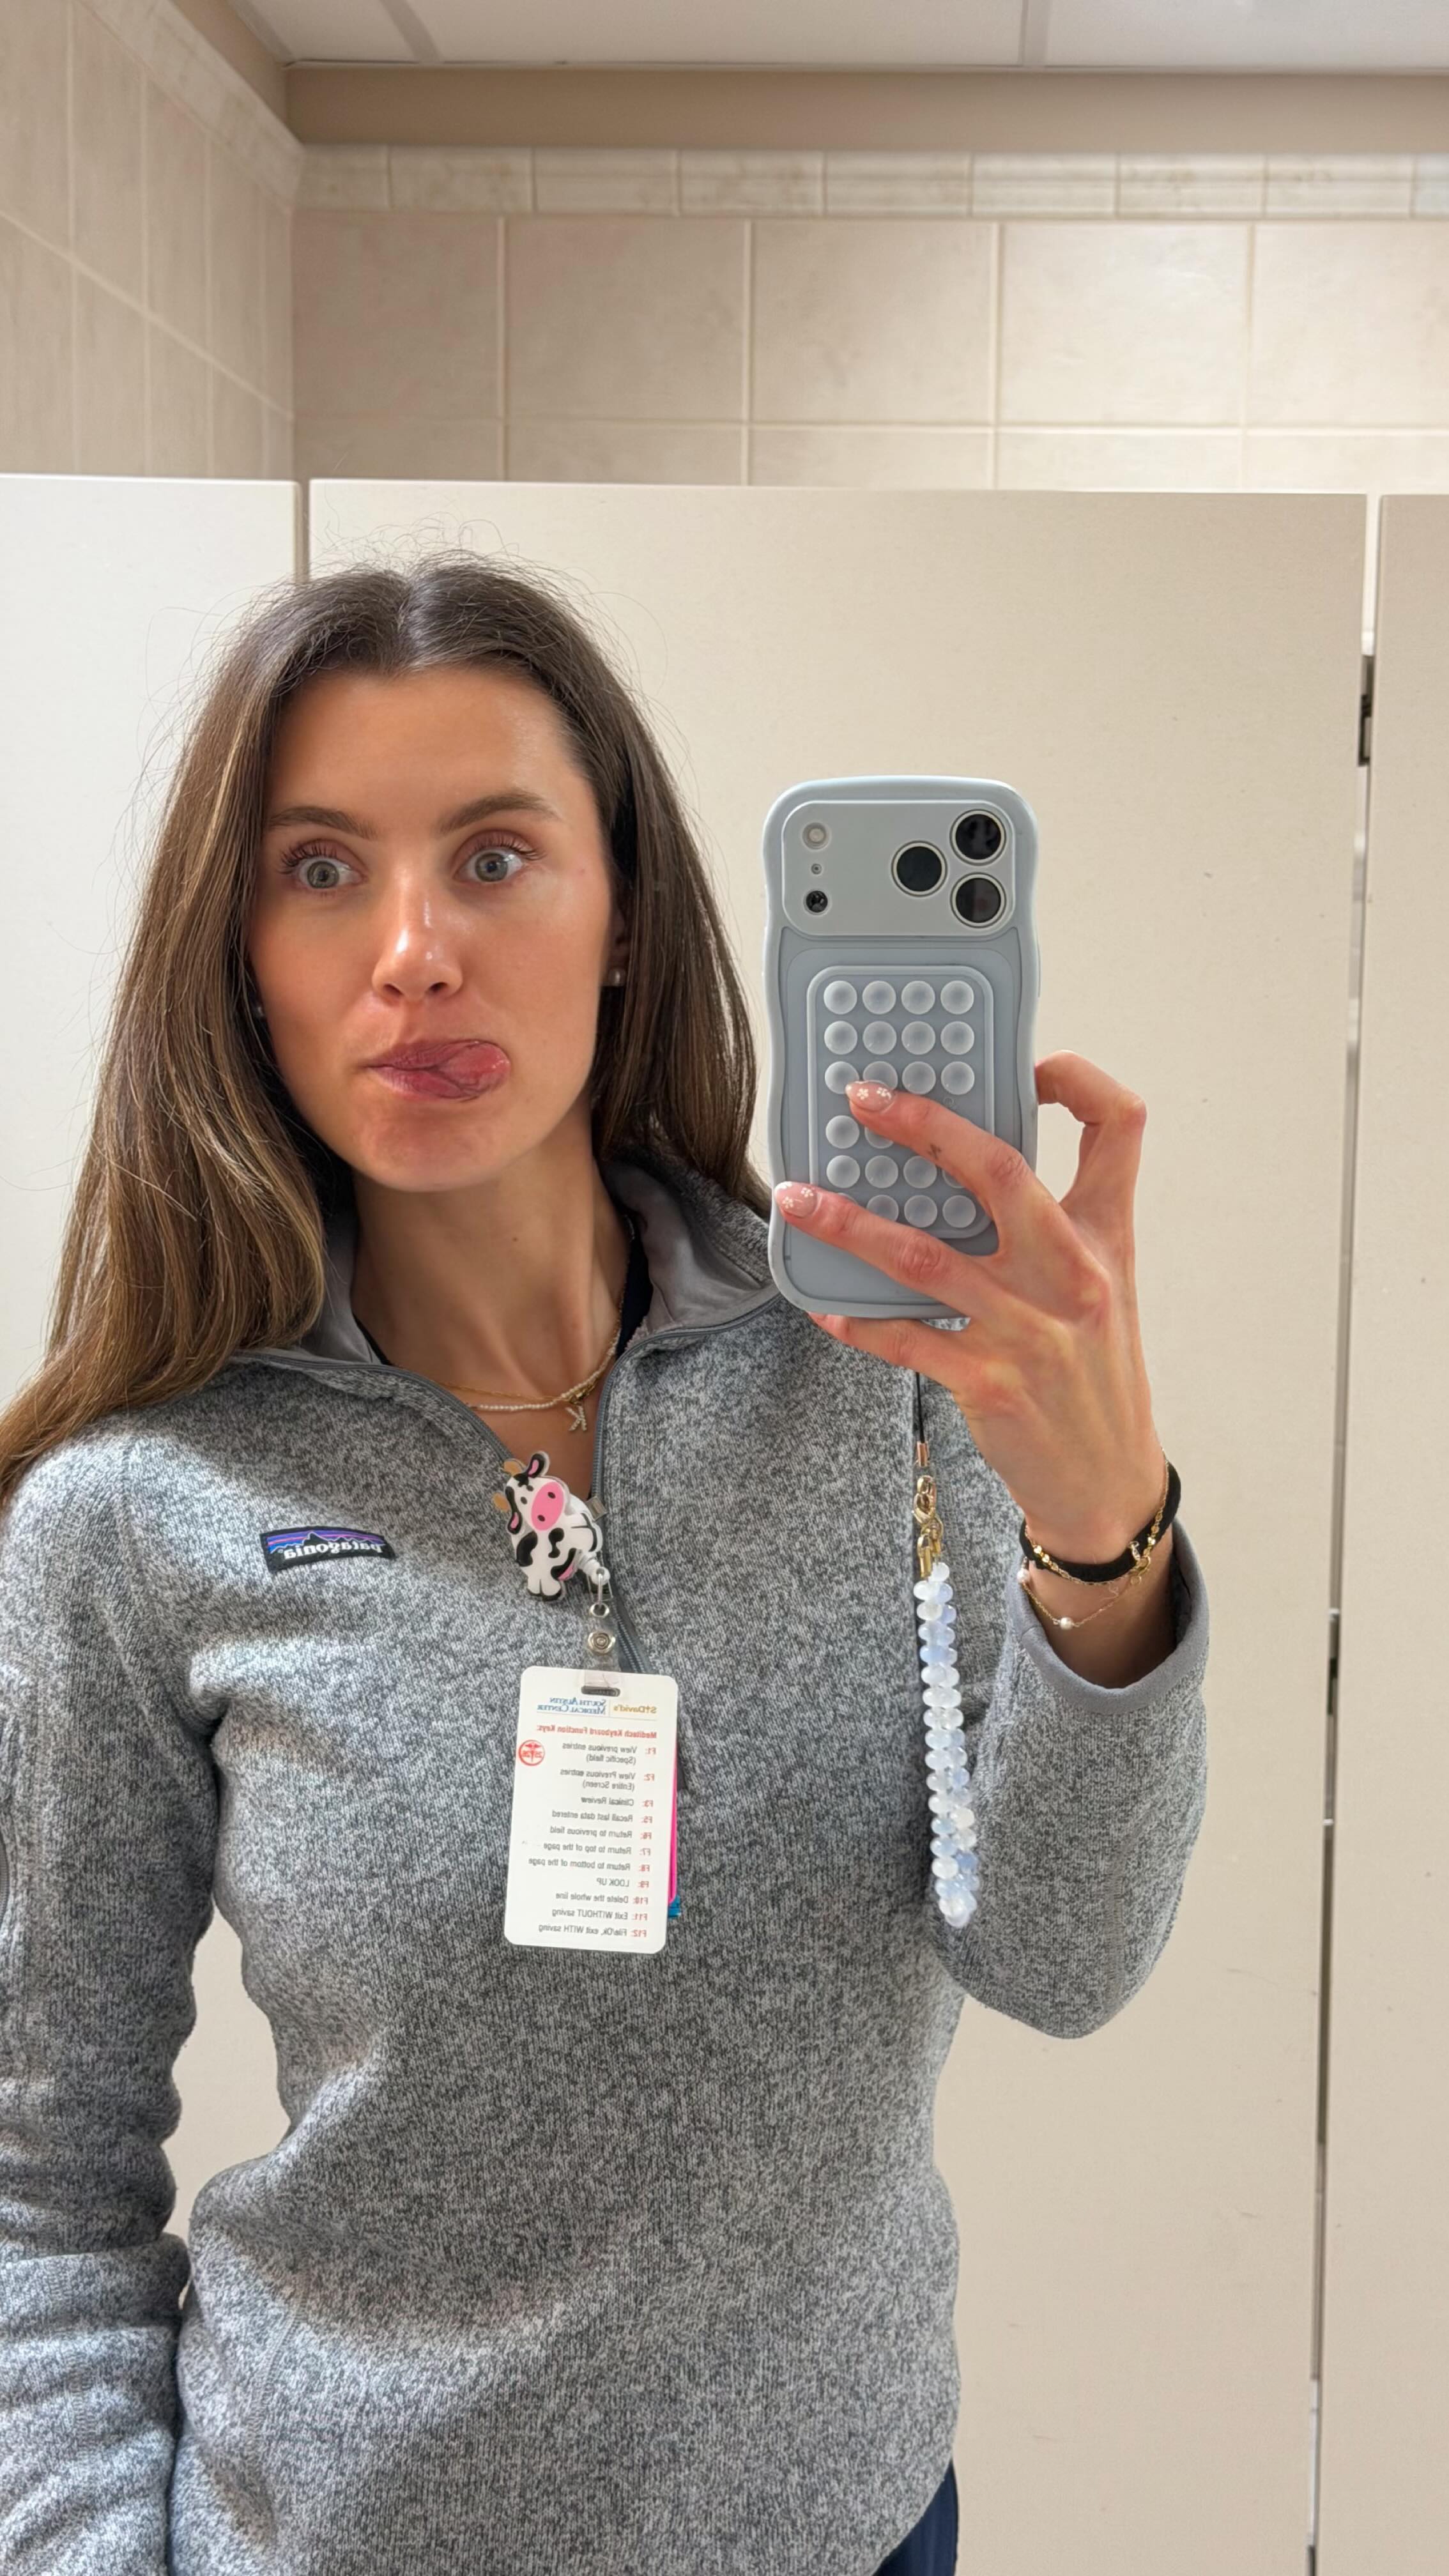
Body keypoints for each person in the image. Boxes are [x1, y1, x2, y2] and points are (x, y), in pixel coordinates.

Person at [0, 551, 1208, 2576]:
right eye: (320, 870)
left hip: (848, 2526)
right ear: (243, 954)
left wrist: (1106, 1530)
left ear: (624, 914)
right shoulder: (139, 1511)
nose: (414, 953)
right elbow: (34, 2174)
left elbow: (1061, 1961)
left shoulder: (885, 1377)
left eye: (494, 858)